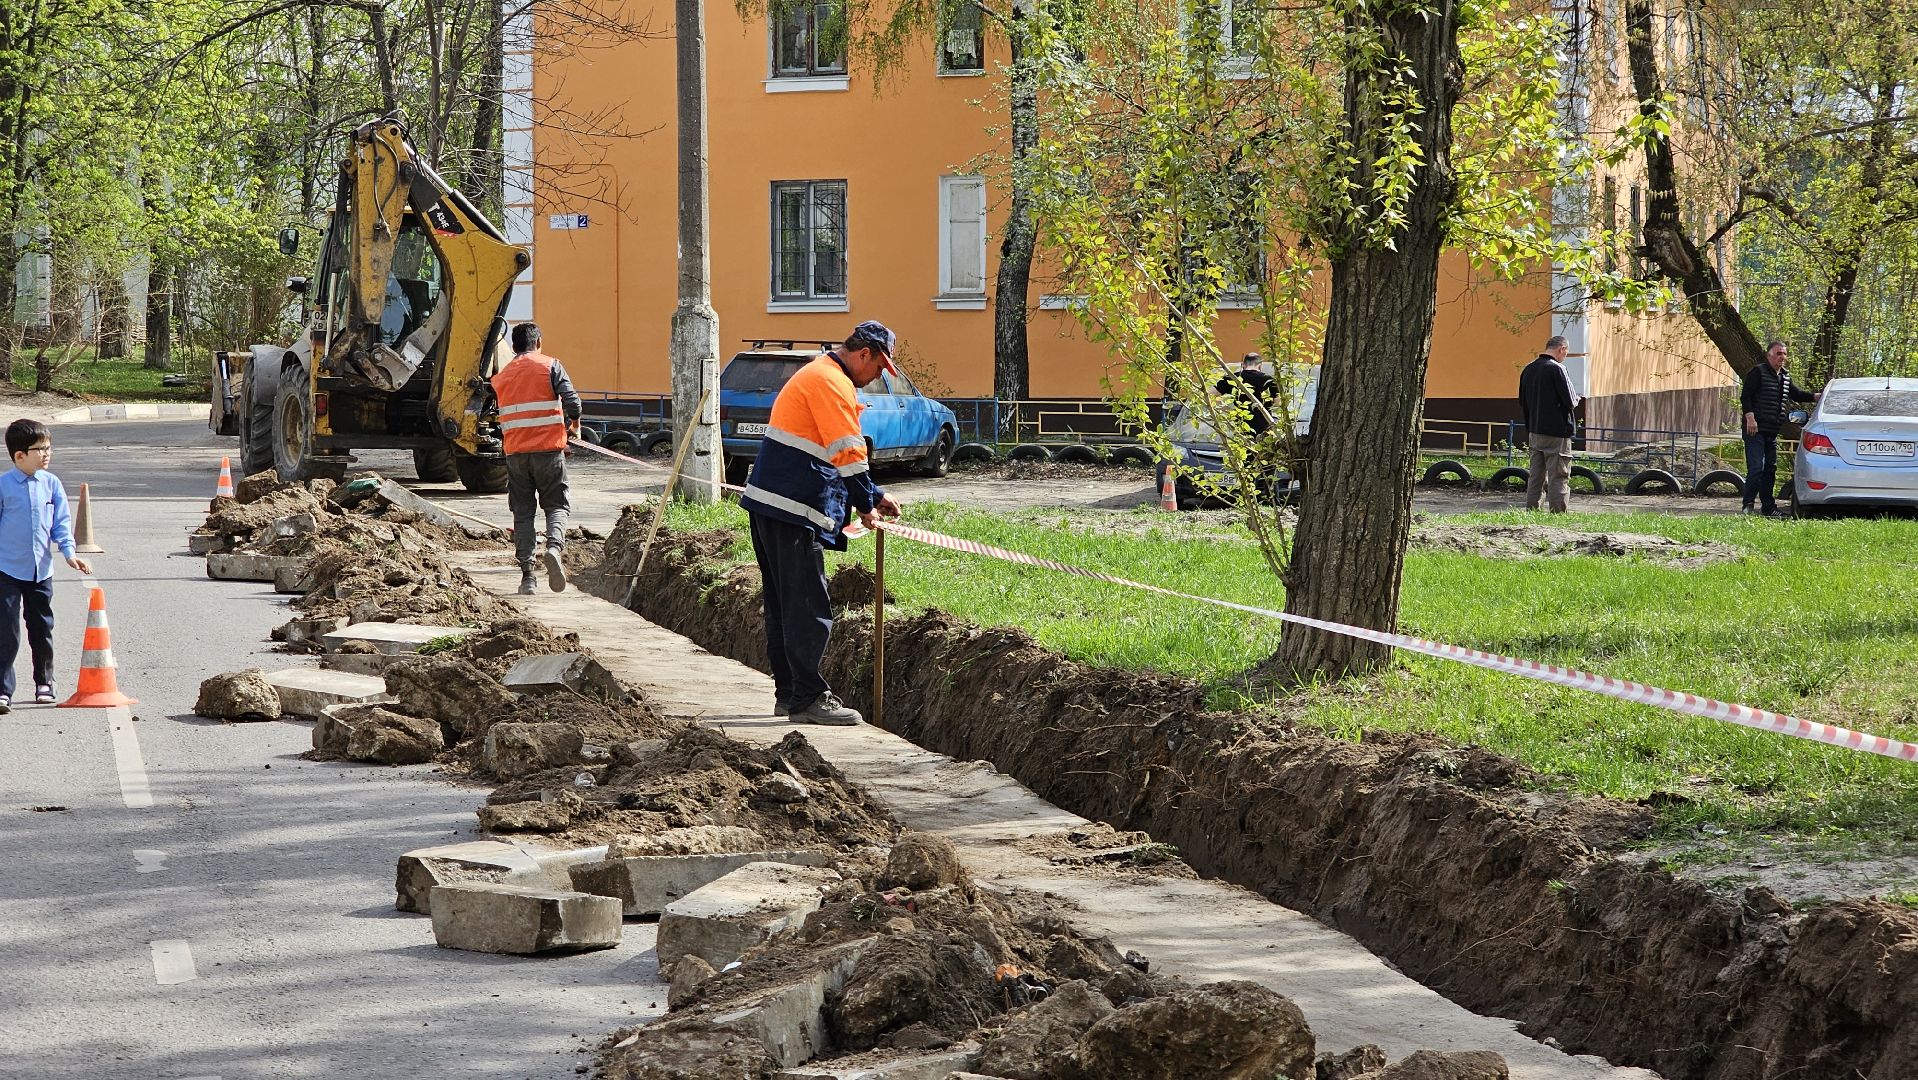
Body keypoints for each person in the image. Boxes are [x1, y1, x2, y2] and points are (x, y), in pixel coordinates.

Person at [740, 321, 904, 726]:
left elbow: (832, 454)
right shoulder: (832, 382)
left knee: (783, 605)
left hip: (773, 506)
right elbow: (847, 451)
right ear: (864, 354)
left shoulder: (818, 374)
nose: (879, 377)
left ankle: (790, 694)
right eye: (880, 367)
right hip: (791, 511)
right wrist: (867, 502)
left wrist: (873, 494)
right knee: (807, 606)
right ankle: (809, 697)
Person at [0, 419, 89, 713]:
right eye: (40, 449)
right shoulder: (3, 486)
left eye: (49, 448)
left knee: (41, 629)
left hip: (41, 571)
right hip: (6, 571)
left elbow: (61, 524)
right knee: (6, 632)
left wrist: (68, 552)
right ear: (19, 456)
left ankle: (44, 683)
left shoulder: (52, 484)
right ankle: (3, 689)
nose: (47, 454)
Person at [490, 322, 582, 594]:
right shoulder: (550, 366)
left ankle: (528, 577)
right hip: (549, 452)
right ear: (538, 342)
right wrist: (573, 424)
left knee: (523, 513)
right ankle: (553, 548)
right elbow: (573, 403)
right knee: (556, 506)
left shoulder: (502, 377)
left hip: (516, 455)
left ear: (514, 347)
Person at [1739, 339, 1817, 516]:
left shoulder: (1785, 377)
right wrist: (1750, 418)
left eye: (1784, 354)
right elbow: (1746, 397)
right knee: (1757, 467)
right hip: (1754, 430)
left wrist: (1816, 396)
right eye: (1778, 354)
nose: (1782, 357)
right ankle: (1748, 504)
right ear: (1769, 356)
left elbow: (1797, 394)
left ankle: (1768, 508)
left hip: (1772, 430)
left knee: (1770, 470)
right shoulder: (1757, 372)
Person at [1518, 335, 1581, 513]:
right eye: (1566, 352)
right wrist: (1576, 399)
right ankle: (1558, 512)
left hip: (1535, 430)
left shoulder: (1528, 369)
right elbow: (1569, 400)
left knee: (1536, 474)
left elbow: (1522, 400)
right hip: (1557, 432)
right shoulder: (1558, 369)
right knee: (1559, 474)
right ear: (1561, 349)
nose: (1565, 356)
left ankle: (1532, 509)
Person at [1215, 353, 1278, 434]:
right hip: (1265, 425)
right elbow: (1278, 403)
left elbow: (1210, 393)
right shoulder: (1268, 379)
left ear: (1243, 365)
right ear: (1260, 365)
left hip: (1242, 425)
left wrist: (1225, 410)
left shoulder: (1233, 378)